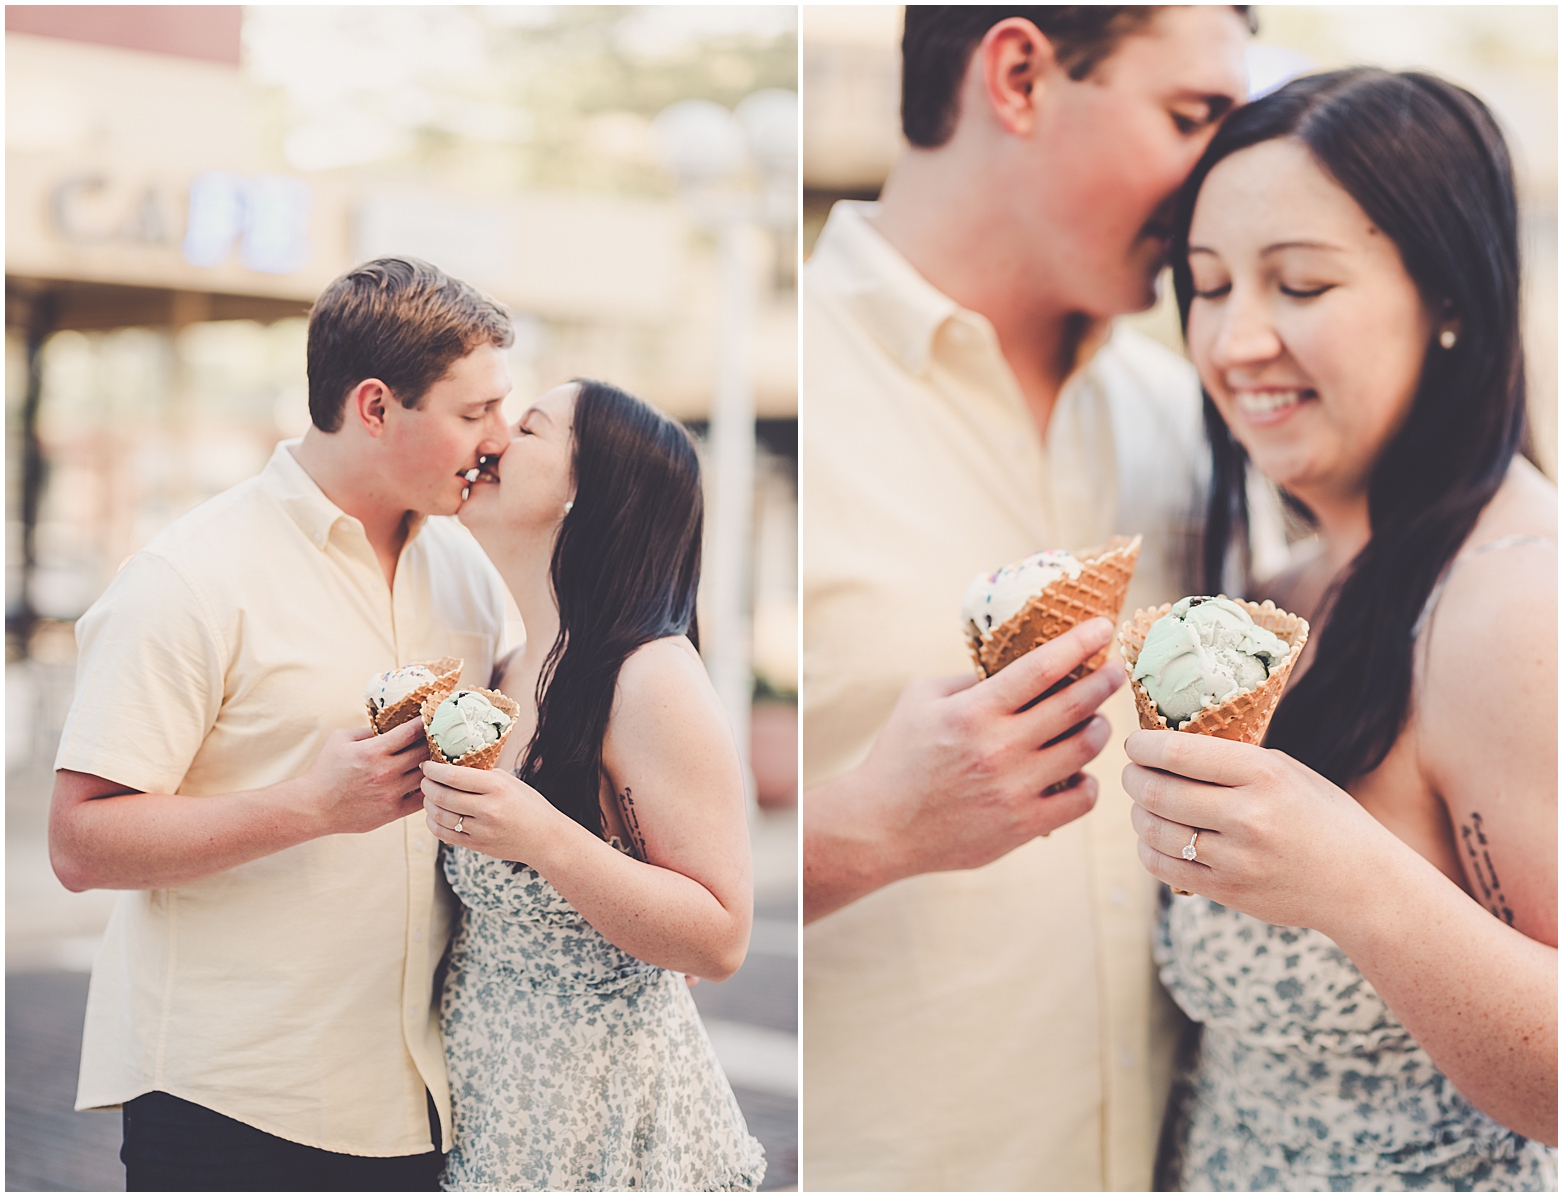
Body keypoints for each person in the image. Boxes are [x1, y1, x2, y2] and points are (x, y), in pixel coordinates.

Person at [803, 6, 1255, 1189]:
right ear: (1017, 75)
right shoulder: (771, 416)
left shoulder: (1198, 413)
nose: (1222, 173)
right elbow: (570, 865)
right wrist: (869, 831)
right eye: (1191, 116)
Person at [1122, 68, 1558, 1190]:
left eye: (1298, 284)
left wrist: (1354, 880)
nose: (1236, 341)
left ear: (1448, 298)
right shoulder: (1290, 588)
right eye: (1207, 284)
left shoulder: (1512, 607)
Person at [48, 257, 517, 1190]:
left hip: (418, 1105)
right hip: (233, 1101)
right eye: (475, 414)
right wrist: (311, 804)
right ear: (375, 406)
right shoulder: (189, 577)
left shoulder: (468, 571)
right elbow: (79, 840)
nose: (499, 439)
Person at [416, 378, 766, 1191]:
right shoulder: (511, 661)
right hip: (501, 1123)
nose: (494, 438)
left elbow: (720, 937)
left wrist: (540, 836)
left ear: (589, 494)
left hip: (609, 1138)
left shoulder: (648, 678)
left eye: (529, 427)